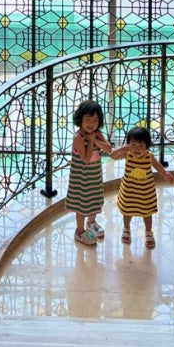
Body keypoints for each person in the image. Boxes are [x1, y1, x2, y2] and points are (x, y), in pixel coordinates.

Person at [111, 125, 174, 248]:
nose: (137, 148)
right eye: (133, 144)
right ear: (128, 144)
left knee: (147, 212)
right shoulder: (127, 154)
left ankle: (148, 232)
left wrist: (165, 173)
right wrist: (121, 149)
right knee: (127, 211)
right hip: (129, 191)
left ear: (147, 146)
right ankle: (126, 228)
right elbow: (112, 155)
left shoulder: (149, 156)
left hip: (146, 192)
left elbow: (157, 165)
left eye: (141, 145)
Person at [64, 100, 113, 245]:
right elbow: (85, 159)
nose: (91, 124)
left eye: (95, 120)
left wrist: (95, 140)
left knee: (94, 200)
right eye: (88, 119)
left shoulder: (97, 134)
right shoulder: (77, 138)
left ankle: (91, 222)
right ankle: (79, 231)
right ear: (80, 119)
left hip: (94, 177)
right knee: (81, 205)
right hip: (81, 179)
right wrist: (91, 142)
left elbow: (109, 149)